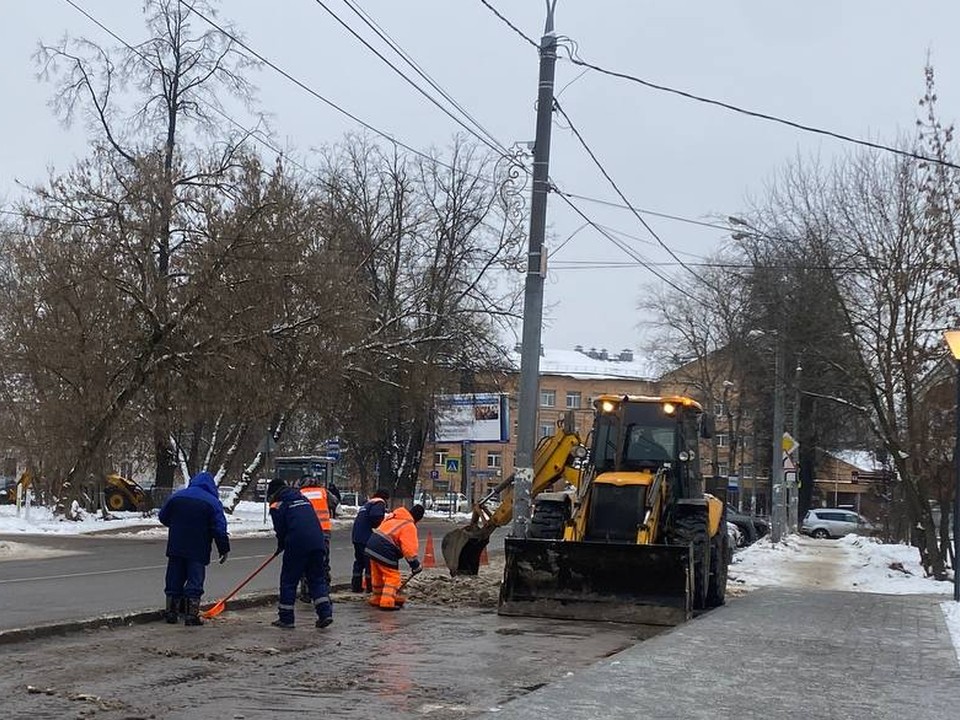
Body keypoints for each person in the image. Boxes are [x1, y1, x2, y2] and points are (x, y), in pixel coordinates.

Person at [158, 470, 230, 627]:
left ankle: (171, 613)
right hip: (198, 548)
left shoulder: (177, 496)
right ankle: (191, 616)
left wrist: (178, 526)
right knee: (194, 580)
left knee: (174, 577)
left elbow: (163, 517)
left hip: (176, 546)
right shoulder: (212, 502)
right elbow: (219, 529)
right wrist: (224, 548)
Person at [267, 478, 333, 629]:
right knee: (317, 579)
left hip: (297, 544)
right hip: (319, 541)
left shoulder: (278, 505)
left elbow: (281, 530)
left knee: (289, 580)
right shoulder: (302, 499)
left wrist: (281, 544)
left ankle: (286, 619)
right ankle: (325, 614)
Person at [364, 503, 424, 610]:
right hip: (385, 549)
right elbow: (409, 550)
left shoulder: (394, 517)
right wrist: (415, 565)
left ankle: (377, 598)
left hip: (371, 545)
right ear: (418, 519)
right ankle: (387, 601)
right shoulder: (409, 525)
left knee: (378, 574)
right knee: (392, 577)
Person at [298, 475, 333, 601]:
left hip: (306, 531)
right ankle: (324, 593)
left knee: (306, 561)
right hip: (324, 531)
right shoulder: (324, 492)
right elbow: (335, 503)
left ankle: (306, 594)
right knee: (323, 562)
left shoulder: (300, 493)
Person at [350, 489, 389, 593]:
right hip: (366, 537)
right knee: (369, 563)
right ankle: (370, 587)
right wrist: (379, 526)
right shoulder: (379, 502)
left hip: (357, 536)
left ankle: (356, 586)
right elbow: (375, 516)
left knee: (359, 562)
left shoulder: (368, 503)